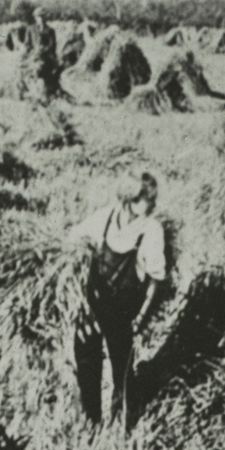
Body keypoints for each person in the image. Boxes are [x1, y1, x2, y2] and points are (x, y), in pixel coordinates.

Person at [68, 172, 168, 424]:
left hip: (124, 310)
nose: (152, 203)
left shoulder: (151, 231)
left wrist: (141, 319)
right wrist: (79, 301)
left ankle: (122, 425)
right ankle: (90, 422)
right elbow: (74, 242)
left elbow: (156, 278)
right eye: (147, 198)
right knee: (87, 361)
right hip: (94, 305)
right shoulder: (104, 218)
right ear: (130, 198)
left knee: (122, 370)